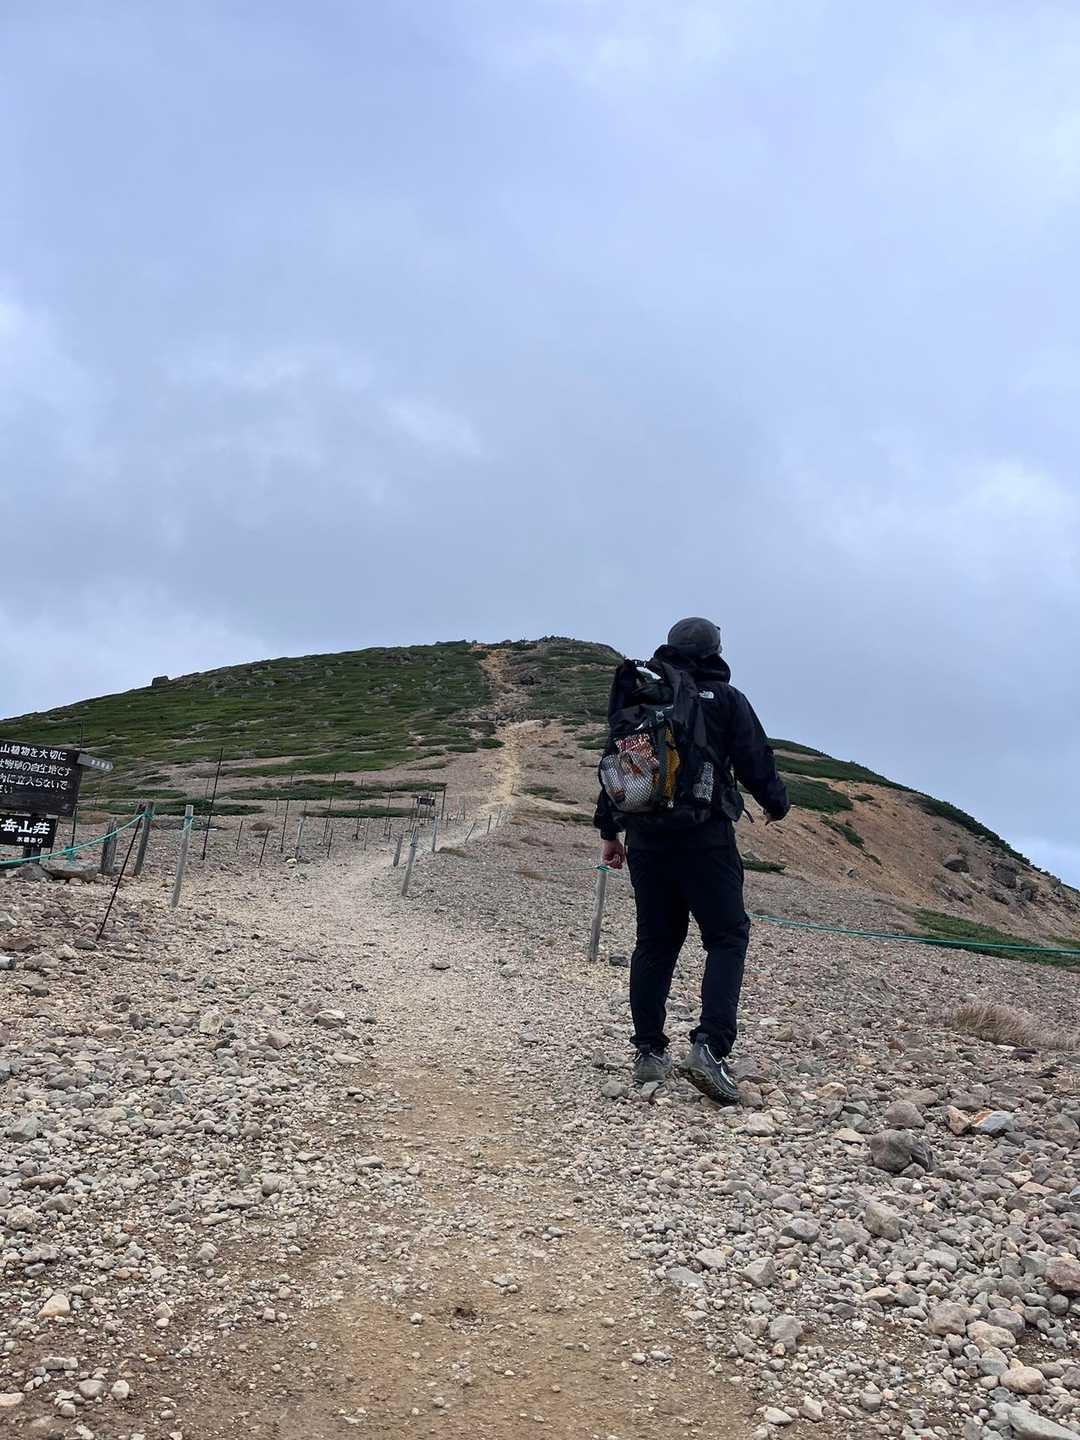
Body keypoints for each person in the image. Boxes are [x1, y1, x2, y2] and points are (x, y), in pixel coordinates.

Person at [594, 617, 789, 1104]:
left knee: (655, 943)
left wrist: (609, 833)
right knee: (726, 937)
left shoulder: (642, 697)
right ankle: (710, 1048)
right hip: (706, 839)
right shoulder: (725, 698)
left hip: (645, 839)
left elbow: (618, 767)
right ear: (714, 651)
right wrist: (776, 803)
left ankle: (648, 1052)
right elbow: (755, 758)